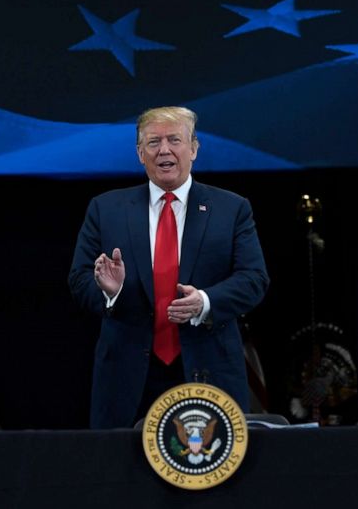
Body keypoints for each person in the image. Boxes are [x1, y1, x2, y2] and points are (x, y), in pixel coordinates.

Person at [68, 106, 269, 429]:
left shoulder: (231, 209)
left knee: (208, 474)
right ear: (139, 153)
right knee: (122, 475)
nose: (164, 150)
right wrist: (112, 291)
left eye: (175, 140)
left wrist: (204, 301)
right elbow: (79, 280)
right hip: (128, 375)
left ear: (194, 148)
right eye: (153, 142)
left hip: (208, 368)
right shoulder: (106, 209)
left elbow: (254, 279)